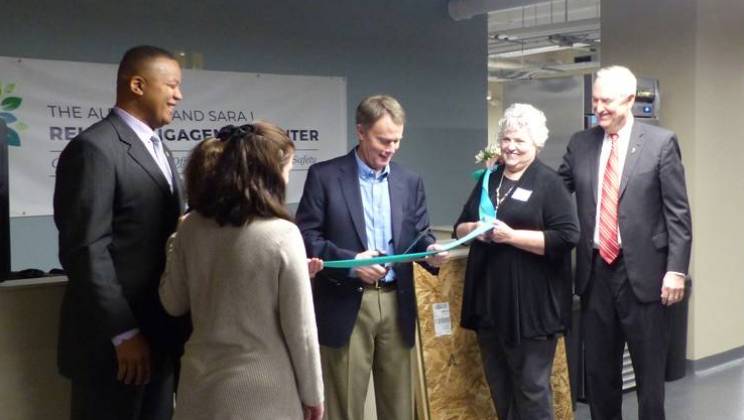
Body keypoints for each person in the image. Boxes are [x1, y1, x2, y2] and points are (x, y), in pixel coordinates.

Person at [53, 45, 188, 420]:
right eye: (172, 85)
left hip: (160, 335)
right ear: (138, 84)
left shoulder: (161, 148)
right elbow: (86, 250)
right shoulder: (94, 149)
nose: (179, 96)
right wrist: (123, 333)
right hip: (114, 347)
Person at [159, 123, 325, 420]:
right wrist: (313, 395)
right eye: (286, 169)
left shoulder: (191, 227)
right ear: (269, 172)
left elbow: (173, 303)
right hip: (264, 393)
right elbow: (301, 329)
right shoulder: (283, 234)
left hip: (198, 389)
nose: (288, 178)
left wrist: (175, 242)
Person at [295, 94, 446, 420]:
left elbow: (420, 234)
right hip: (345, 302)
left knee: (399, 407)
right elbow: (307, 239)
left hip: (397, 302)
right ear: (360, 131)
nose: (390, 148)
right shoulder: (325, 177)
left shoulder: (410, 181)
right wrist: (354, 264)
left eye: (397, 141)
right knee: (345, 406)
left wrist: (431, 252)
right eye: (383, 139)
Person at [559, 65, 692, 420]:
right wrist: (512, 168)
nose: (599, 108)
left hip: (645, 278)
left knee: (650, 378)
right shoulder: (580, 143)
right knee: (600, 374)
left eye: (607, 101)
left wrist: (676, 271)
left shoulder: (661, 144)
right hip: (595, 273)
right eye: (595, 100)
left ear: (631, 100)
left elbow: (677, 214)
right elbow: (556, 192)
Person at [454, 103, 579, 419]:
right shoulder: (489, 179)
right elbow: (460, 227)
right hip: (489, 304)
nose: (511, 147)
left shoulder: (549, 183)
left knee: (532, 393)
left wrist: (512, 237)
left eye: (520, 141)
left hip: (532, 309)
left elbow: (566, 237)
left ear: (536, 144)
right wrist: (476, 230)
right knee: (500, 388)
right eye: (507, 139)